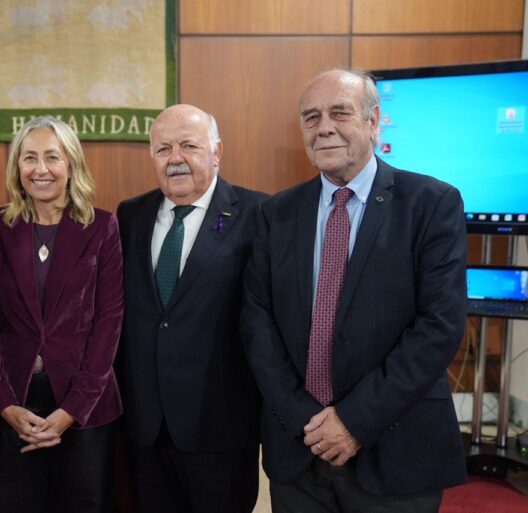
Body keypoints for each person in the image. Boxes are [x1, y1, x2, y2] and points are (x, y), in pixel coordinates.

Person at [241, 69, 468, 512]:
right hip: (299, 450)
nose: (323, 126)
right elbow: (257, 321)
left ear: (372, 121)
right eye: (311, 117)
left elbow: (438, 327)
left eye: (339, 112)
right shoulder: (277, 213)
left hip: (395, 449)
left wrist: (353, 421)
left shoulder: (431, 203)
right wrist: (307, 419)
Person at [116, 104, 267, 513]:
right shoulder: (131, 215)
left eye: (189, 145)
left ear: (217, 151)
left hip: (219, 424)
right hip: (146, 425)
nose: (176, 158)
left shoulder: (258, 214)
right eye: (163, 148)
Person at [0, 116, 124, 513]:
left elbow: (108, 323)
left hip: (84, 405)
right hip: (11, 402)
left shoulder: (103, 226)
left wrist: (71, 410)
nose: (40, 169)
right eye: (29, 158)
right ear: (16, 168)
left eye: (52, 157)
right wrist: (3, 402)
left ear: (71, 165)